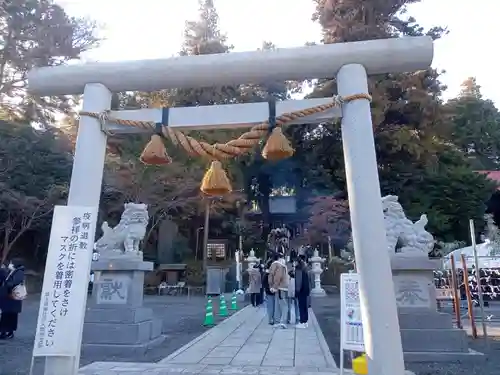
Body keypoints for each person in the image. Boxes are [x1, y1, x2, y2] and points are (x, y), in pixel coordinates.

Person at [0, 259, 26, 339]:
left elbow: (14, 282)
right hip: (8, 298)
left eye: (11, 263)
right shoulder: (13, 271)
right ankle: (5, 332)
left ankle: (7, 332)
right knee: (7, 315)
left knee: (10, 316)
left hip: (12, 298)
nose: (10, 264)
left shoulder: (19, 272)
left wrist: (6, 284)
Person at [268, 252, 289, 328]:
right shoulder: (282, 265)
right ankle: (280, 321)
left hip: (279, 287)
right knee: (281, 304)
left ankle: (281, 321)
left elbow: (276, 276)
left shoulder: (276, 265)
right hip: (284, 286)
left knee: (282, 304)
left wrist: (274, 286)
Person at [295, 255, 311, 328]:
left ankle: (302, 322)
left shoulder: (298, 269)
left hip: (301, 290)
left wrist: (297, 292)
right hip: (306, 289)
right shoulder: (305, 268)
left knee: (301, 306)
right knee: (305, 307)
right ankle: (305, 321)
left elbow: (298, 281)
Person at [263, 259, 275, 324]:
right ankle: (271, 319)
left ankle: (271, 319)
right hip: (271, 291)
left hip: (269, 291)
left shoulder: (266, 273)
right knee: (272, 306)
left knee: (270, 306)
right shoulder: (269, 273)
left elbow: (263, 282)